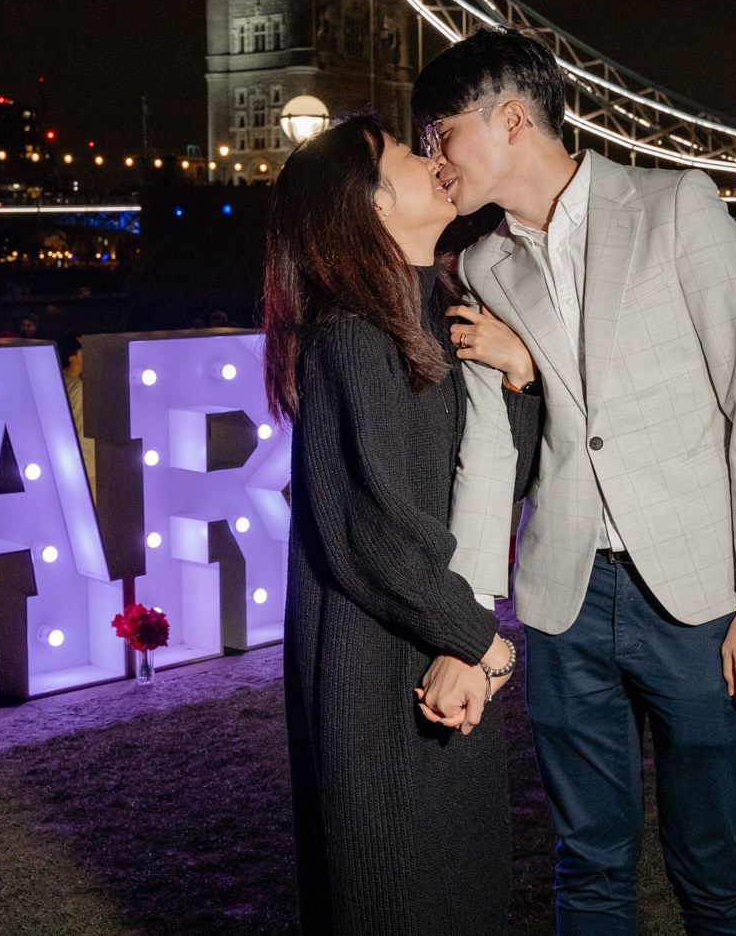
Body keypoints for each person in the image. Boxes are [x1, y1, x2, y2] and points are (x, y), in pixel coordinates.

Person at [416, 27, 736, 935]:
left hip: (705, 598)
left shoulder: (679, 206)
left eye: (441, 133)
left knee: (714, 865)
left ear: (510, 119)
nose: (434, 158)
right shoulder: (481, 265)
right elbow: (488, 460)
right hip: (564, 605)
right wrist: (473, 625)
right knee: (587, 865)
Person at [264, 114, 539, 934]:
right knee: (393, 895)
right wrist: (478, 639)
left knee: (462, 892)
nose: (434, 162)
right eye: (407, 158)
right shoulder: (351, 339)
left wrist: (517, 372)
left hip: (442, 648)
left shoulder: (443, 318)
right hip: (373, 668)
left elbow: (500, 477)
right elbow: (370, 527)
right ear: (368, 208)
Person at [56, 336, 96, 492]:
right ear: (72, 356)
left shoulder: (59, 380)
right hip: (83, 463)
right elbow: (81, 428)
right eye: (82, 351)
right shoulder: (77, 387)